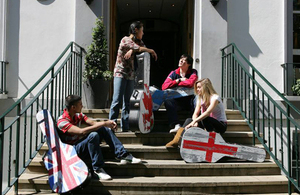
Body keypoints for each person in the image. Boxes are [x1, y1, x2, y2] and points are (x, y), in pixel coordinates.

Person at [57, 95, 142, 180]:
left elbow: (94, 124)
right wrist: (104, 123)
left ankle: (122, 154)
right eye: (80, 104)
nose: (82, 106)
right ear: (73, 107)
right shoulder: (62, 122)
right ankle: (97, 169)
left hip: (80, 145)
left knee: (102, 128)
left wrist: (107, 123)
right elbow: (81, 132)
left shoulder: (78, 115)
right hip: (71, 151)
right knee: (93, 136)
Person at [109, 21, 157, 132]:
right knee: (116, 100)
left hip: (130, 75)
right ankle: (111, 125)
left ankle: (125, 127)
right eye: (141, 30)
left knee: (128, 102)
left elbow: (140, 48)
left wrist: (132, 49)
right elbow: (140, 49)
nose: (143, 33)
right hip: (120, 73)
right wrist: (151, 50)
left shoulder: (138, 42)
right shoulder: (125, 39)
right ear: (135, 30)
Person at [166, 78, 227, 148]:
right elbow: (195, 113)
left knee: (204, 118)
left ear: (206, 87)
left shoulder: (215, 98)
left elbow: (207, 112)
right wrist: (194, 122)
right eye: (197, 87)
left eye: (199, 87)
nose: (197, 89)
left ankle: (211, 139)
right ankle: (177, 139)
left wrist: (195, 121)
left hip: (220, 125)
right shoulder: (200, 99)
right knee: (189, 120)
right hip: (206, 123)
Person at [161, 54, 198, 133]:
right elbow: (164, 86)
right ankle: (176, 125)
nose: (181, 61)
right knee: (168, 101)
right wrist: (179, 80)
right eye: (181, 59)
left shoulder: (193, 72)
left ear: (189, 64)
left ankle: (195, 123)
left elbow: (191, 83)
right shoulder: (174, 73)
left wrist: (174, 84)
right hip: (177, 101)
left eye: (184, 60)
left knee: (198, 99)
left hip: (189, 100)